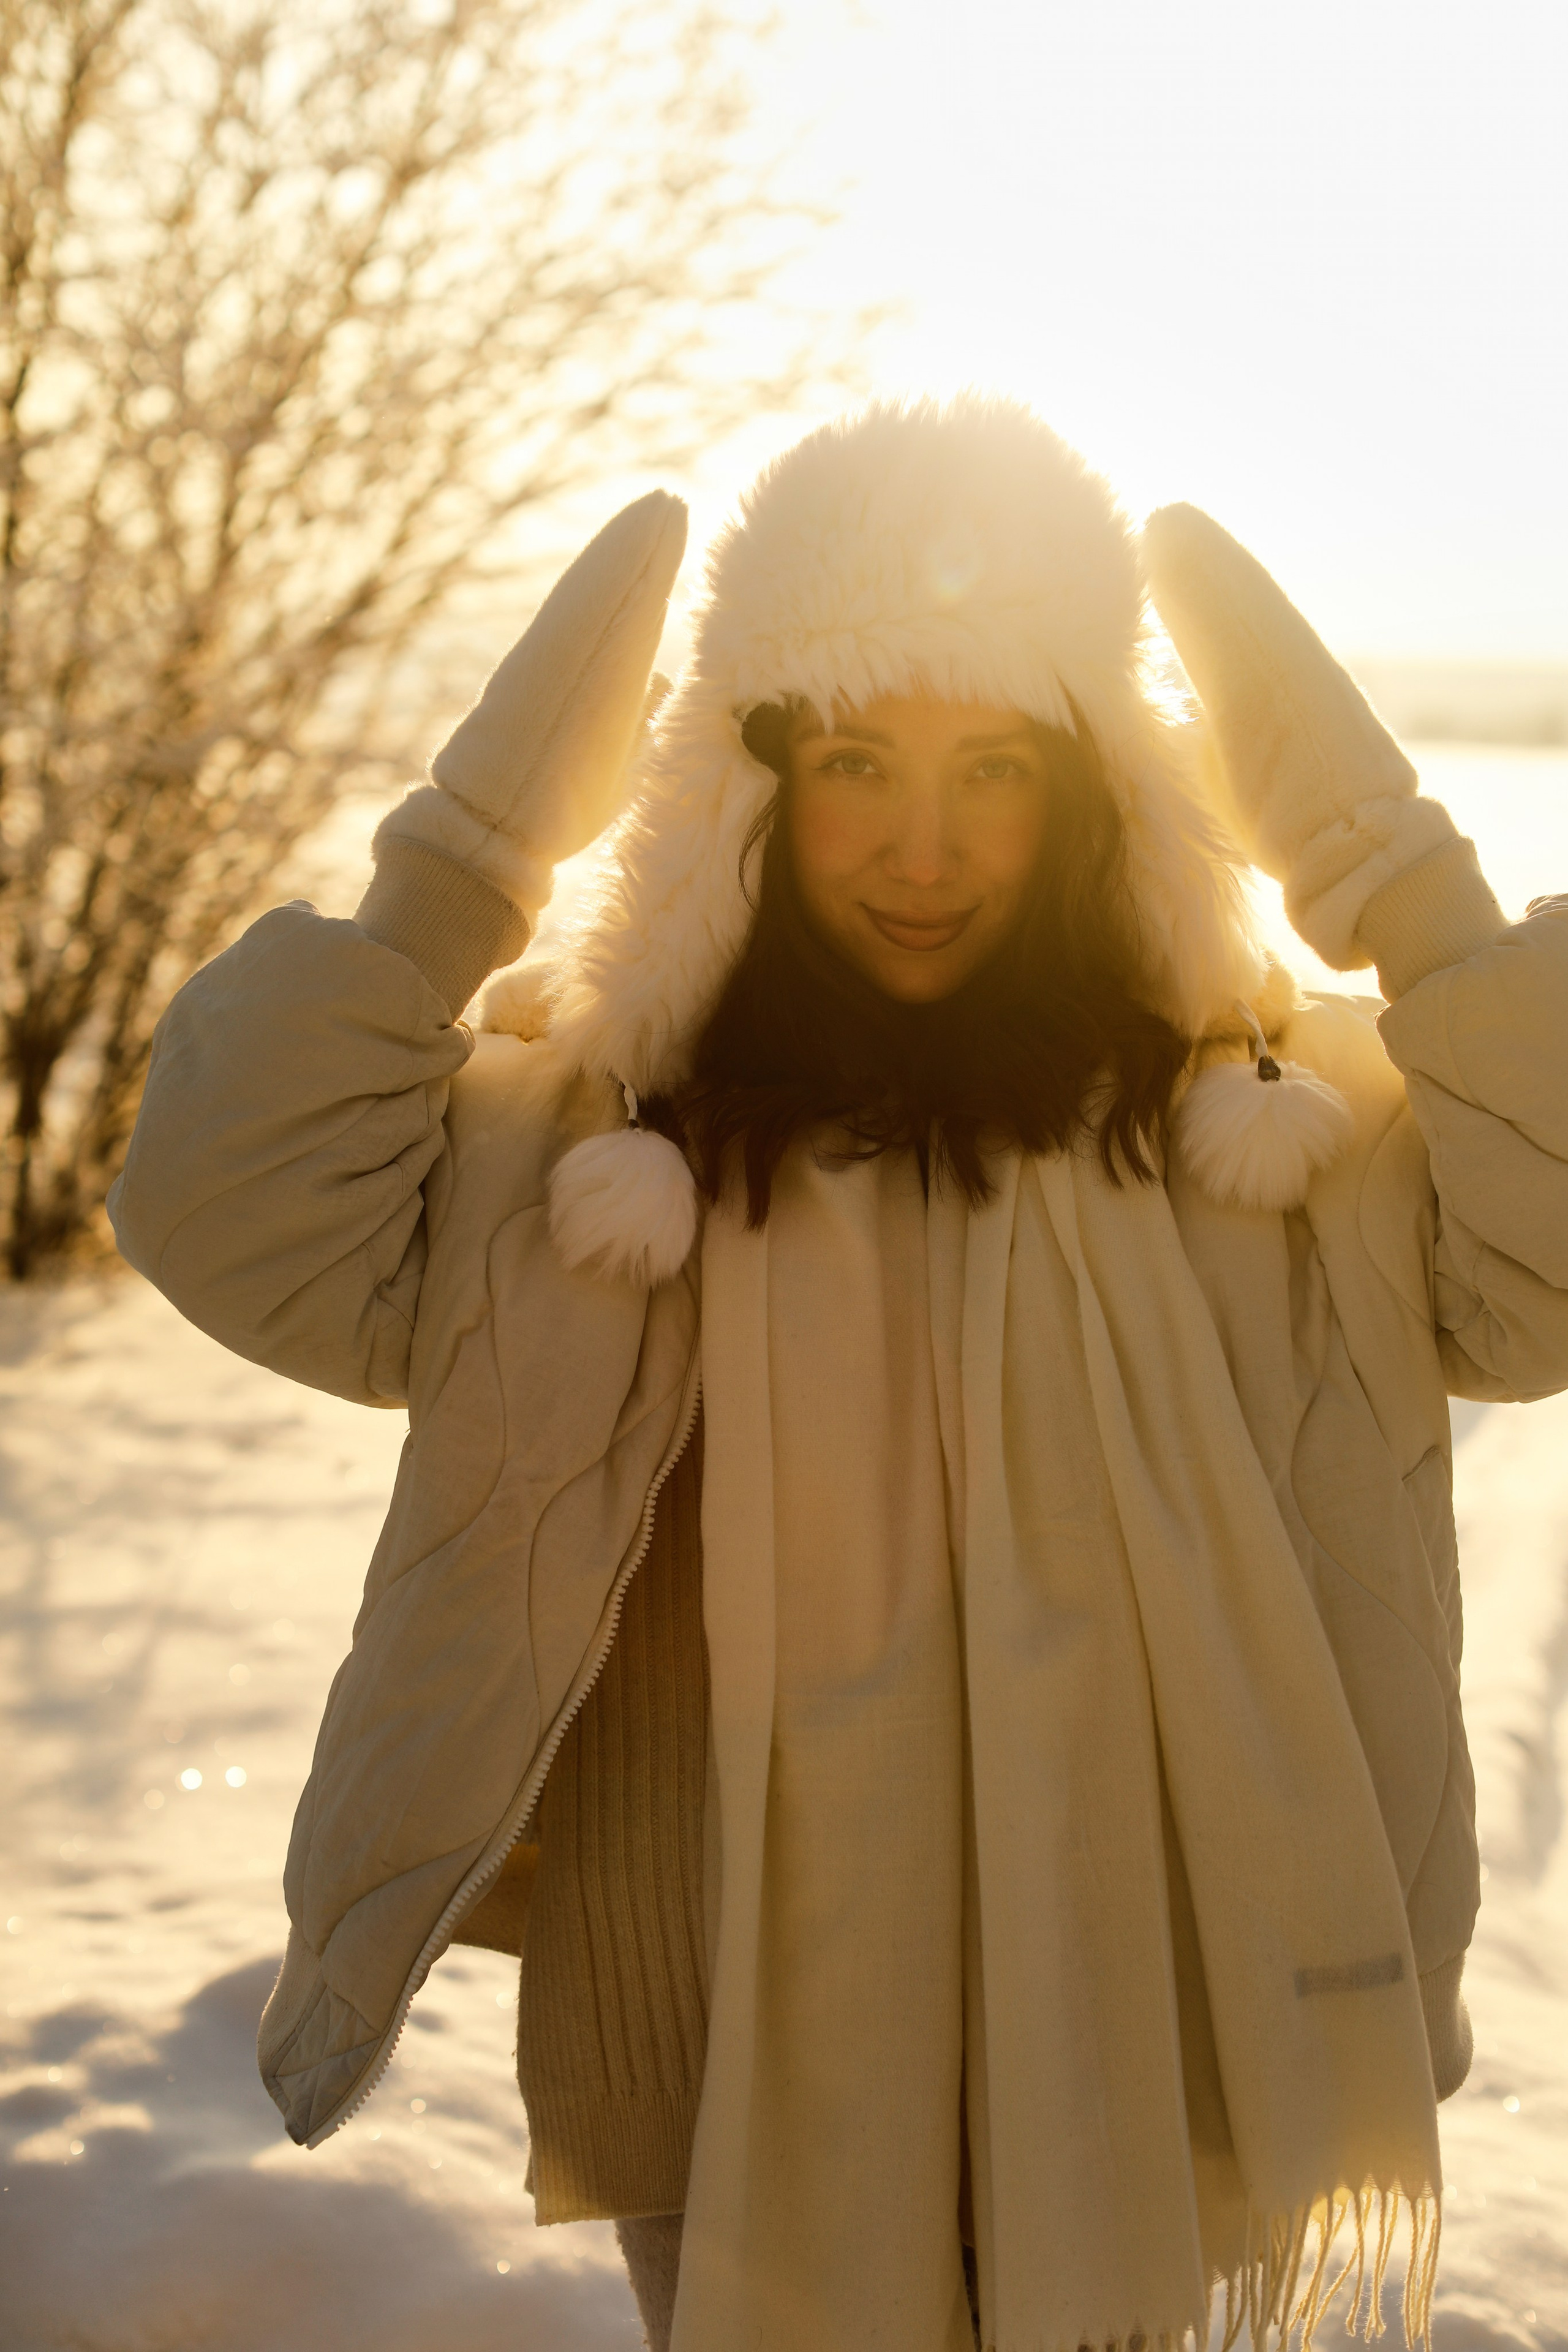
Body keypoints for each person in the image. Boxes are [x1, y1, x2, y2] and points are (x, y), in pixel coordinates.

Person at [110, 398, 1568, 2352]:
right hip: (707, 1984)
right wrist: (462, 868)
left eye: (998, 768)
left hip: (1134, 1970)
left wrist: (1400, 877)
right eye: (855, 762)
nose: (924, 845)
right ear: (748, 786)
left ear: (1098, 792)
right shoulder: (585, 1137)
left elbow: (1545, 1268)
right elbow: (234, 1214)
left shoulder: (1268, 1134)